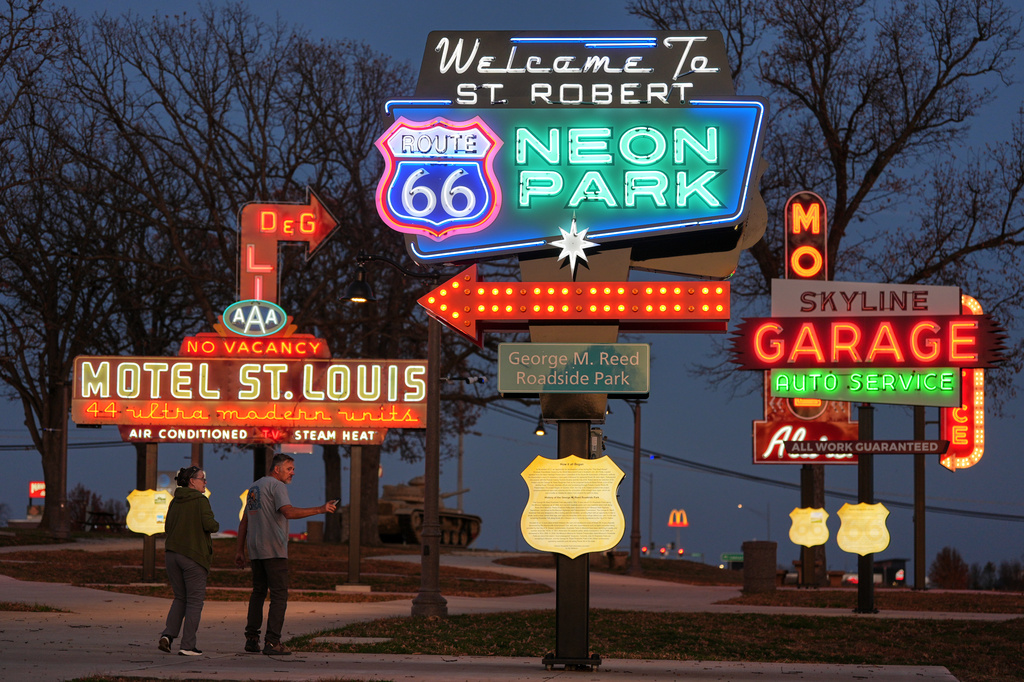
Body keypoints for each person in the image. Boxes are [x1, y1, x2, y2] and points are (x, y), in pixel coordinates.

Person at [235, 453, 337, 655]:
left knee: (258, 593)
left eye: (293, 469)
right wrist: (321, 508)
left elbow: (244, 521)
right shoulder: (277, 486)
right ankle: (272, 642)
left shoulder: (255, 487)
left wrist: (240, 550)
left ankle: (252, 638)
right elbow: (288, 512)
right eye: (289, 469)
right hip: (274, 549)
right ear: (277, 469)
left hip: (256, 550)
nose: (293, 473)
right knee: (279, 596)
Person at [159, 465, 219, 656]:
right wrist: (215, 524)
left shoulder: (175, 501)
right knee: (194, 602)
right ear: (192, 481)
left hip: (172, 555)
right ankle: (187, 645)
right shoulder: (201, 501)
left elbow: (168, 527)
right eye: (202, 478)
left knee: (180, 598)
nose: (205, 482)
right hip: (193, 557)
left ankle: (168, 636)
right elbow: (210, 525)